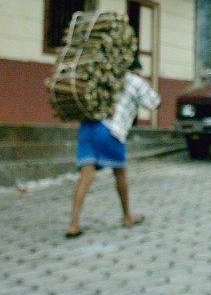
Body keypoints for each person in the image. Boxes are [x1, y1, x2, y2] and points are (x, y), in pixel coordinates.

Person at [65, 55, 161, 238]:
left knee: (86, 176)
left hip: (88, 127)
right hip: (110, 130)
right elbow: (155, 103)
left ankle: (73, 224)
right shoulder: (134, 80)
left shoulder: (106, 76)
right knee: (120, 173)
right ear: (136, 69)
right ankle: (126, 216)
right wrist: (143, 82)